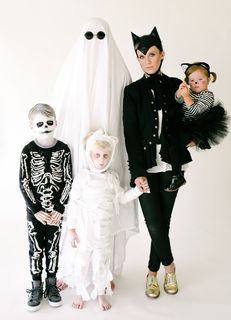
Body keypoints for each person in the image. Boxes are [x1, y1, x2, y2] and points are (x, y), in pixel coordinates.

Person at [51, 18, 138, 287]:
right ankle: (70, 269)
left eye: (100, 36)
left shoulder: (120, 73)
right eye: (88, 35)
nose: (94, 42)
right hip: (79, 151)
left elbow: (130, 115)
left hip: (109, 151)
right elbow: (60, 113)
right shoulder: (71, 70)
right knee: (78, 205)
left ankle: (105, 272)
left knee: (105, 208)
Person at [123, 27, 193, 299]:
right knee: (154, 222)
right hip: (146, 166)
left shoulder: (177, 85)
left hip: (172, 164)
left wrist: (194, 137)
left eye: (151, 55)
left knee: (163, 220)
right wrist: (137, 172)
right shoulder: (132, 92)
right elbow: (130, 134)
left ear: (162, 54)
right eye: (141, 57)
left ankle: (152, 273)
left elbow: (190, 118)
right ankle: (170, 267)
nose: (146, 61)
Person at [61, 129, 149, 311]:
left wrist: (138, 190)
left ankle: (100, 293)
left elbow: (122, 198)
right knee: (82, 261)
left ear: (111, 156)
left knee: (101, 261)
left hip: (104, 232)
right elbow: (74, 204)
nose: (101, 160)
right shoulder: (83, 178)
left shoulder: (111, 179)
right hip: (85, 231)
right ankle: (80, 291)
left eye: (105, 156)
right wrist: (71, 229)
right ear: (89, 155)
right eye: (97, 155)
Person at [19, 103, 73, 311]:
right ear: (32, 126)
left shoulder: (64, 149)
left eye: (50, 122)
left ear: (56, 123)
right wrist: (35, 209)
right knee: (36, 248)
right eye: (40, 123)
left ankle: (51, 284)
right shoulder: (27, 151)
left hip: (56, 213)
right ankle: (35, 285)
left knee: (52, 248)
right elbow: (24, 182)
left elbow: (68, 179)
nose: (45, 126)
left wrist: (60, 208)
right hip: (35, 212)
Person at [164, 61, 229, 192]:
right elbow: (178, 100)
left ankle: (177, 175)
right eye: (192, 80)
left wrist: (187, 96)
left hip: (196, 126)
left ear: (209, 79)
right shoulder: (191, 92)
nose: (196, 83)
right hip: (183, 124)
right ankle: (179, 173)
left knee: (175, 145)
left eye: (200, 80)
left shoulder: (207, 96)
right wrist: (179, 93)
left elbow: (196, 112)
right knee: (172, 144)